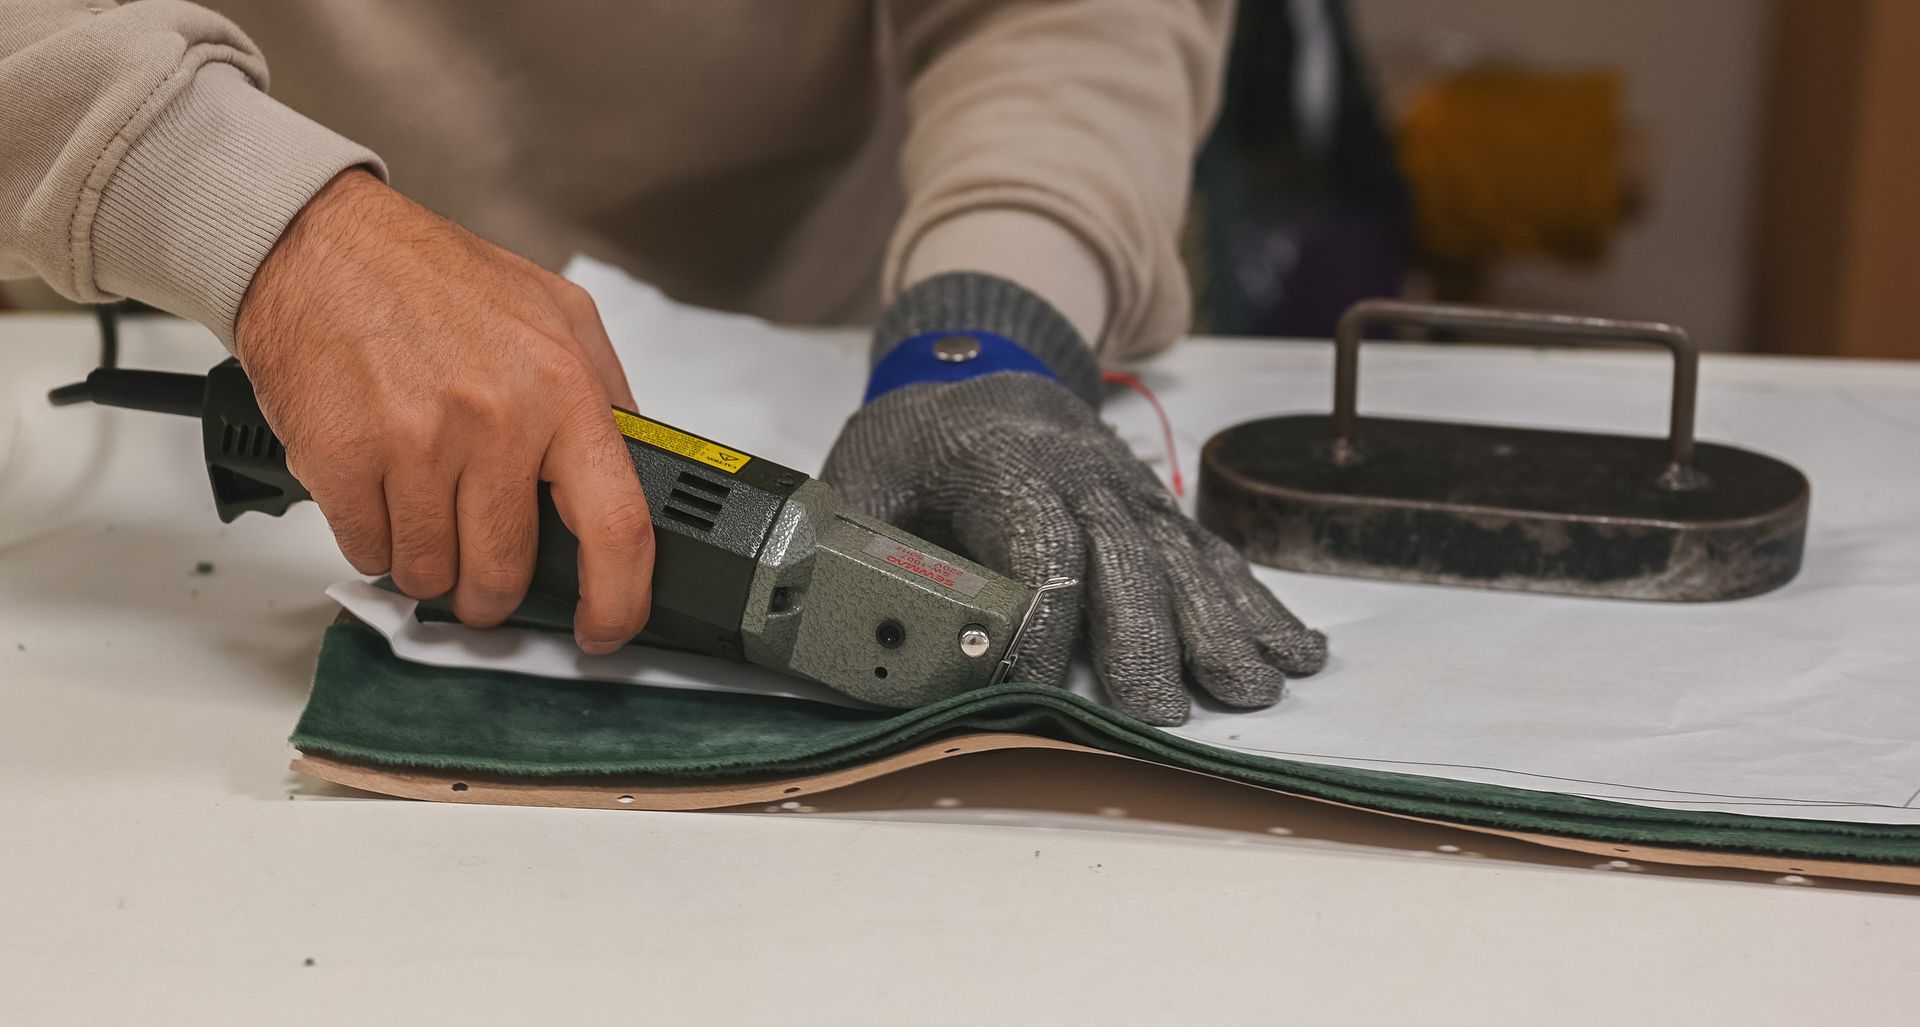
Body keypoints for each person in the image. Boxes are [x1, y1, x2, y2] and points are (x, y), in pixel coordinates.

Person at [0, 0, 1324, 724]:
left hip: (824, 309)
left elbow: (1067, 19)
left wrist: (981, 328)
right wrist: (264, 225)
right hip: (159, 292)